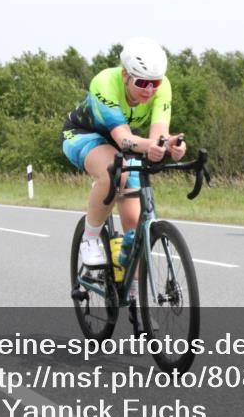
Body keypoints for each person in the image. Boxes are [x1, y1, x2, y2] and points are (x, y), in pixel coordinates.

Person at [61, 38, 186, 283]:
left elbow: (158, 135)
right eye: (142, 83)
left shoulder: (163, 87)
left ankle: (131, 289)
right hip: (84, 134)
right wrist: (151, 145)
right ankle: (90, 238)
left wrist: (170, 145)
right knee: (114, 172)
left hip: (126, 139)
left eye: (155, 83)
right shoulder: (105, 82)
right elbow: (123, 139)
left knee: (137, 231)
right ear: (126, 75)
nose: (149, 90)